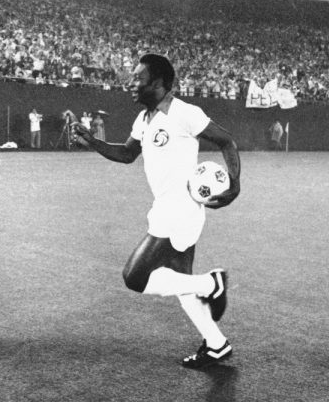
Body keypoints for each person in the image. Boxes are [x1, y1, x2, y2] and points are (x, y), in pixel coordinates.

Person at [71, 54, 241, 369]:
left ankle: (211, 284)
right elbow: (126, 154)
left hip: (179, 210)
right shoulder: (144, 119)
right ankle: (216, 344)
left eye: (138, 78)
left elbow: (226, 141)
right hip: (169, 208)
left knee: (134, 277)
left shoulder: (184, 113)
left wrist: (235, 184)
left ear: (159, 83)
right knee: (180, 282)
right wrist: (92, 142)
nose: (131, 84)